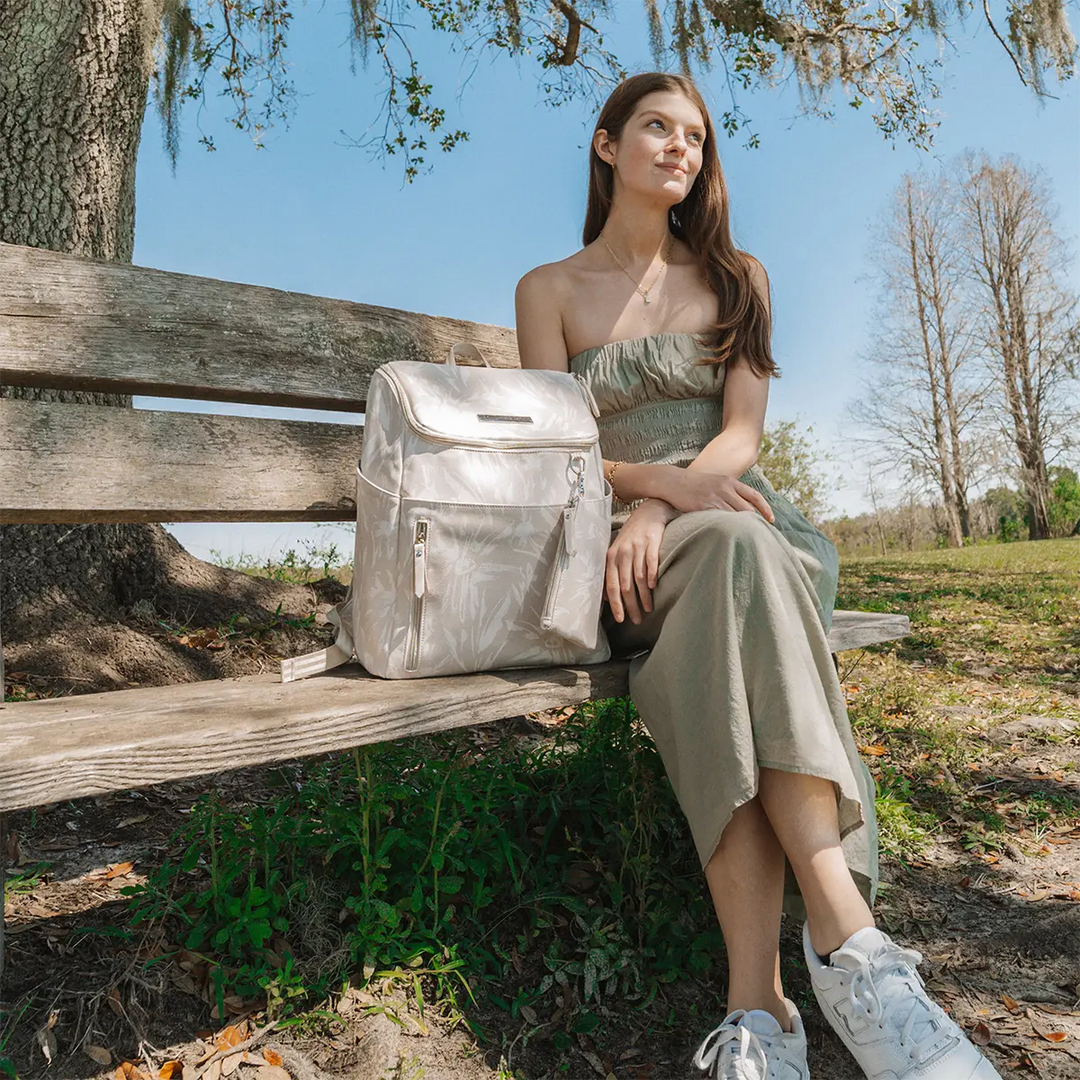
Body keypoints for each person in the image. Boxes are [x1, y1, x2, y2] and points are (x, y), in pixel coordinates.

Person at [514, 72, 1001, 1080]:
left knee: (739, 552)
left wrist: (668, 499)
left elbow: (740, 436)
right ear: (605, 147)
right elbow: (551, 450)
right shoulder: (549, 291)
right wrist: (641, 495)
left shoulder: (740, 276)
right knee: (731, 600)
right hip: (615, 556)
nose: (679, 147)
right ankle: (854, 957)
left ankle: (766, 1006)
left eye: (695, 135)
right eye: (656, 127)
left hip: (740, 521)